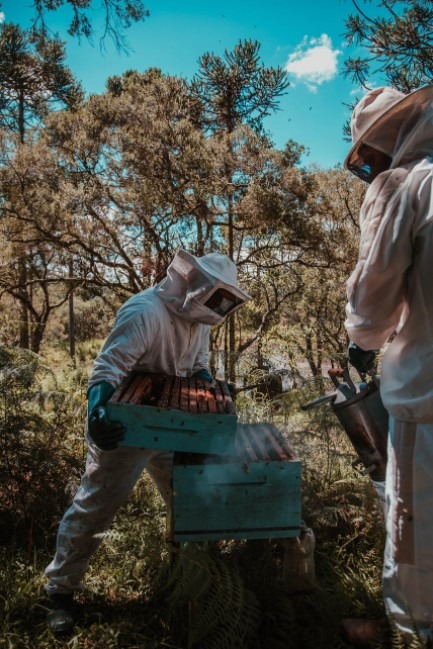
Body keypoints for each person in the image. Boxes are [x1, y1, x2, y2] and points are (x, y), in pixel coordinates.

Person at [44, 249, 251, 634]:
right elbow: (107, 368)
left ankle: (186, 576)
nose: (219, 307)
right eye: (217, 297)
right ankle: (60, 591)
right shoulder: (144, 311)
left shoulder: (199, 319)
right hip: (128, 429)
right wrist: (97, 412)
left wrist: (211, 388)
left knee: (188, 498)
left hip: (174, 428)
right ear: (197, 286)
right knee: (96, 506)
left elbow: (197, 365)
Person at [341, 84, 433, 648]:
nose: (369, 170)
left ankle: (413, 632)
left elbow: (371, 303)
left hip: (426, 398)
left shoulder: (405, 184)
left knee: (415, 533)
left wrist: (362, 339)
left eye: (366, 159)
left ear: (384, 142)